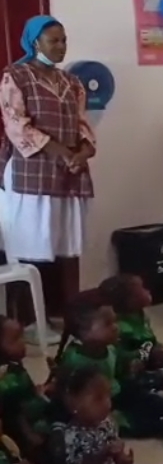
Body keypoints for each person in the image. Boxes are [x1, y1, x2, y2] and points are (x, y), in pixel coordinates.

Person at [0, 17, 96, 311]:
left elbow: (82, 123)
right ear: (35, 43)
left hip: (68, 173)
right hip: (31, 175)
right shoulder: (15, 76)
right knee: (30, 247)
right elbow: (16, 125)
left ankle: (70, 314)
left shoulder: (72, 82)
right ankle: (26, 318)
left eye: (64, 40)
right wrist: (60, 152)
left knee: (67, 247)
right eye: (53, 41)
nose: (61, 46)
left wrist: (83, 152)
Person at [54, 293, 163, 440]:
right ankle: (162, 427)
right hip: (99, 407)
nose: (116, 327)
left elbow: (120, 363)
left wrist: (131, 364)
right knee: (127, 422)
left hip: (117, 391)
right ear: (83, 331)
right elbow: (67, 395)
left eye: (115, 321)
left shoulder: (110, 347)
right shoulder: (74, 360)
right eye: (107, 324)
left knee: (147, 398)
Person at [99, 273, 163, 385]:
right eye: (143, 289)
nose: (148, 291)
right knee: (132, 381)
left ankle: (162, 376)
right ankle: (157, 381)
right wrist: (141, 355)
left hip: (149, 360)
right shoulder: (120, 327)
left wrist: (158, 348)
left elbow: (150, 338)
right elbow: (119, 356)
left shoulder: (141, 316)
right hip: (134, 367)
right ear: (130, 301)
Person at [47, 365, 136, 464]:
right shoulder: (70, 436)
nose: (108, 404)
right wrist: (103, 454)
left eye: (109, 395)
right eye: (98, 398)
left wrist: (123, 463)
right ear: (72, 402)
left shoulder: (108, 424)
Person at [0, 313, 53, 462]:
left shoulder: (15, 367)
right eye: (16, 339)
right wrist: (31, 437)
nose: (23, 343)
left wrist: (42, 389)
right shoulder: (6, 382)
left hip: (33, 414)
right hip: (22, 432)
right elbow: (15, 414)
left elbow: (29, 390)